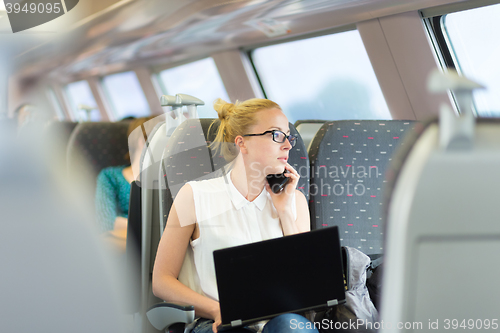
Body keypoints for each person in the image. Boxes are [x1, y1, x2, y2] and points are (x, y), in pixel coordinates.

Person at [152, 98, 318, 333]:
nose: (288, 146)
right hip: (217, 321)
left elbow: (305, 286)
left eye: (288, 136)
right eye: (276, 135)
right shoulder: (194, 196)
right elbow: (162, 282)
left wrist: (285, 214)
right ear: (242, 143)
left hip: (280, 321)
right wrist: (216, 310)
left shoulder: (294, 201)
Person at [95, 117, 149, 242]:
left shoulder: (166, 177)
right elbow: (106, 223)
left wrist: (122, 223)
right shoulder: (110, 176)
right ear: (143, 141)